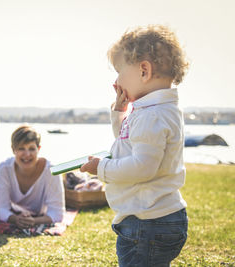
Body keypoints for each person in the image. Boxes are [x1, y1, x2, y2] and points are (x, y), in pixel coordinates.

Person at [80, 25, 189, 266]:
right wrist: (120, 113)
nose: (116, 81)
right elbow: (128, 142)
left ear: (144, 70)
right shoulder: (154, 110)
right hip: (153, 219)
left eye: (119, 71)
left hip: (147, 222)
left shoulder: (152, 115)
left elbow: (142, 167)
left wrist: (102, 168)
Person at [0, 125, 65, 229]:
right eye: (21, 148)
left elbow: (57, 213)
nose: (27, 154)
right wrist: (16, 219)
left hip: (39, 213)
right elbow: (0, 209)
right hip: (15, 210)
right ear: (13, 149)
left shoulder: (51, 171)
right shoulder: (4, 168)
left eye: (32, 149)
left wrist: (34, 221)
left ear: (39, 149)